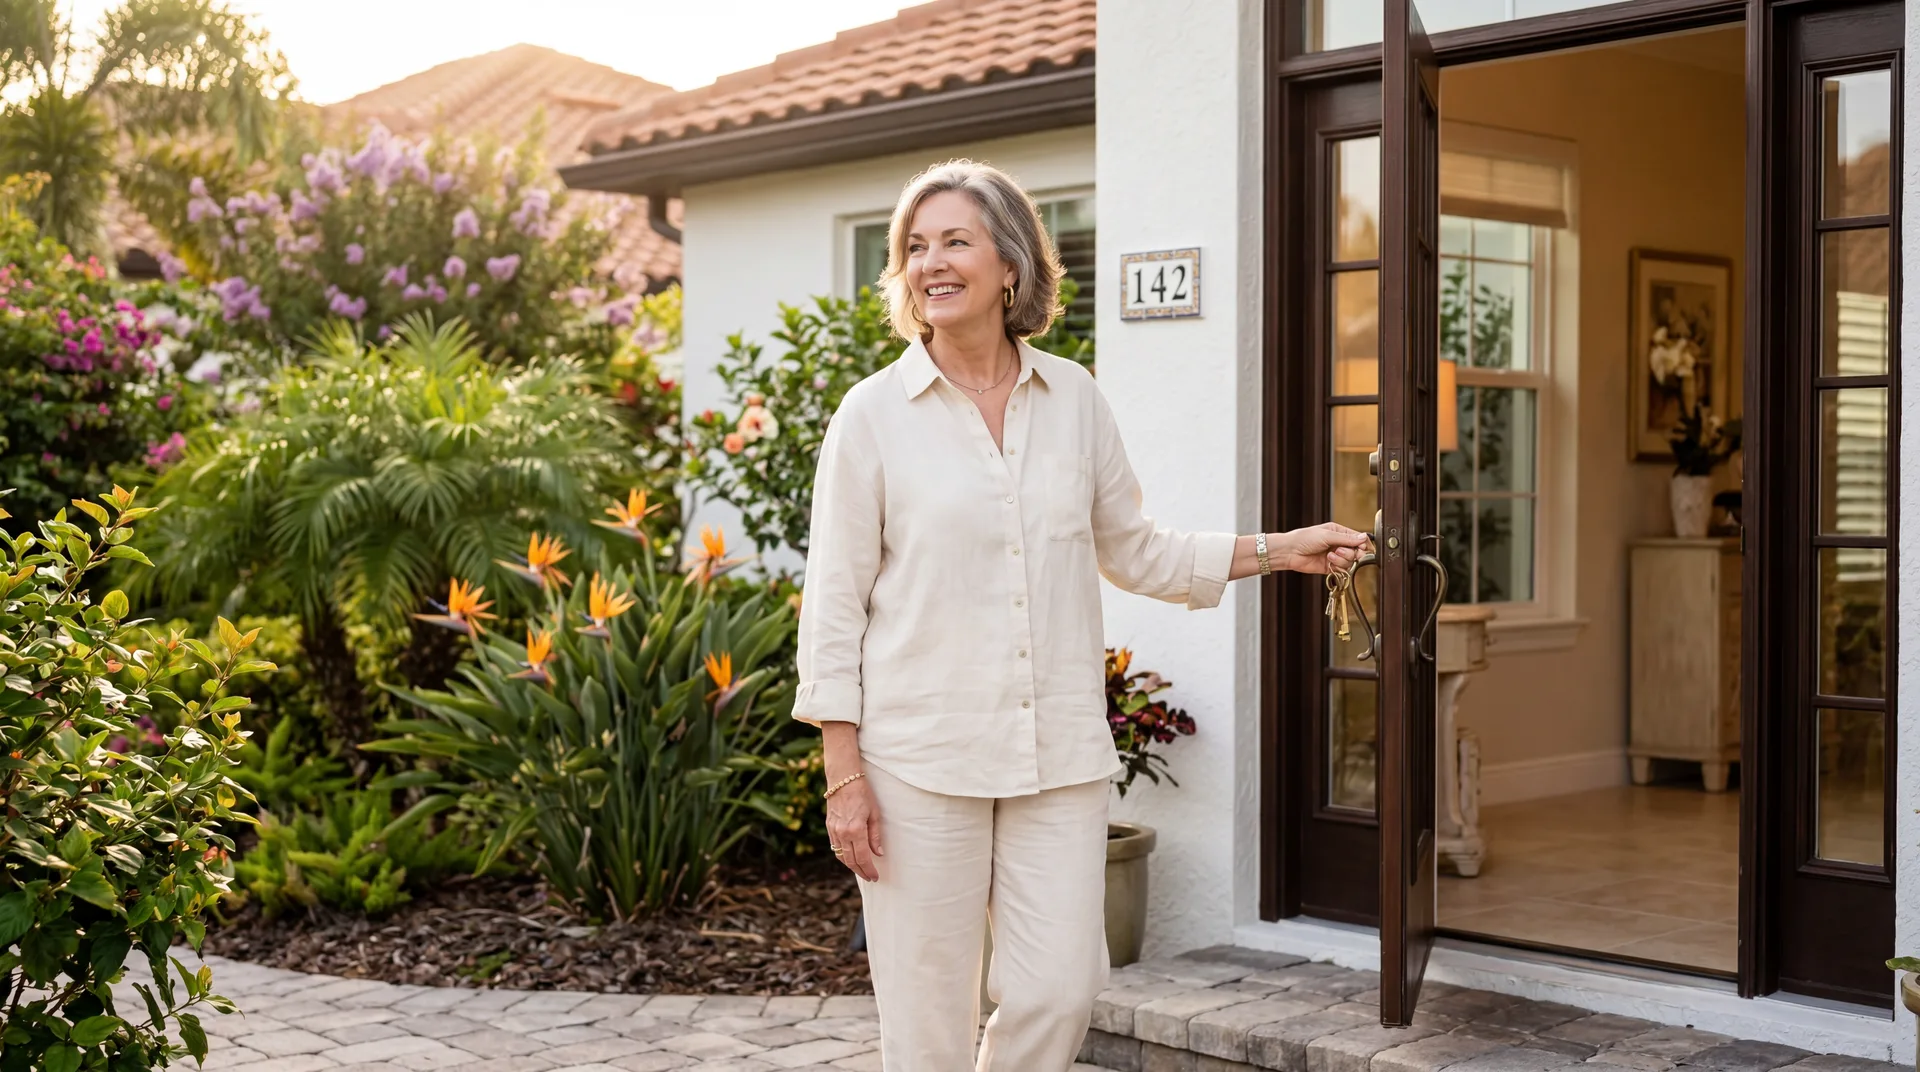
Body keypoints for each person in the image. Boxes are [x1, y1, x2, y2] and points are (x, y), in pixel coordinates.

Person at [793, 158, 1369, 1072]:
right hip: (918, 761)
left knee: (1062, 986)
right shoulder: (871, 417)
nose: (931, 262)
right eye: (916, 246)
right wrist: (843, 775)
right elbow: (833, 605)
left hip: (1055, 758)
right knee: (927, 1016)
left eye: (955, 241)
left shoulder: (1074, 399)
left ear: (1010, 264)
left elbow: (1136, 549)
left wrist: (1277, 549)